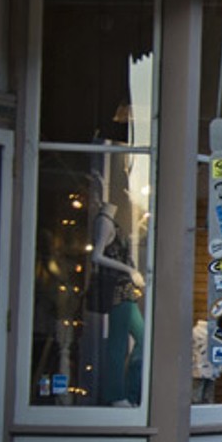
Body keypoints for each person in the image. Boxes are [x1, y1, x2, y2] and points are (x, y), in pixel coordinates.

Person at [87, 168, 145, 407]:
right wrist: (130, 270)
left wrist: (139, 230)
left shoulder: (111, 221)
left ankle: (131, 392)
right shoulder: (103, 221)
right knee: (118, 342)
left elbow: (117, 251)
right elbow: (97, 257)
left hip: (126, 291)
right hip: (118, 292)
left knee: (142, 339)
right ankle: (115, 395)